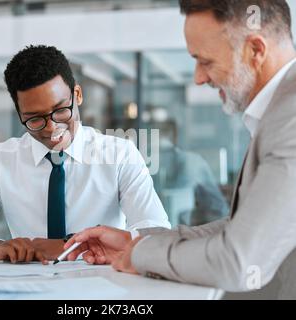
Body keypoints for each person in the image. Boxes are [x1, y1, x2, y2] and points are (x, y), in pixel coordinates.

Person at [65, 0, 296, 298]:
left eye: (206, 61)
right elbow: (245, 228)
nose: (198, 78)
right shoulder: (278, 111)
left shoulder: (290, 118)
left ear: (256, 50)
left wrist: (142, 255)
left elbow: (238, 259)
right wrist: (136, 244)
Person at [0, 45, 170, 264]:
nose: (50, 127)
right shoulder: (0, 162)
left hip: (102, 288)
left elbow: (157, 232)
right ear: (20, 115)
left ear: (77, 95)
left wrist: (71, 245)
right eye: (34, 118)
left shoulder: (120, 155)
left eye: (60, 110)